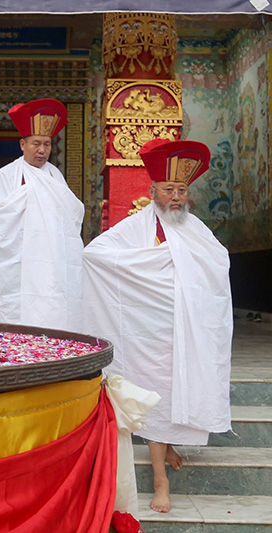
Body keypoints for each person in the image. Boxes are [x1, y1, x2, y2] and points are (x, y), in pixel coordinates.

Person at [82, 139, 232, 513]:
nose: (177, 197)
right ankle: (161, 480)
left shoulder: (195, 229)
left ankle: (170, 445)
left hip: (189, 329)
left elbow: (217, 265)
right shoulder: (135, 227)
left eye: (182, 190)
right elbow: (95, 254)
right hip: (149, 332)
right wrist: (149, 271)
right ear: (152, 191)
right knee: (157, 395)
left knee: (183, 386)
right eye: (169, 190)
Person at [0, 98, 84, 330]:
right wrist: (14, 216)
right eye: (36, 143)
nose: (42, 150)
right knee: (17, 312)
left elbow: (72, 215)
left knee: (52, 307)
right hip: (17, 260)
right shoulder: (7, 175)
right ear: (22, 144)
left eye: (47, 144)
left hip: (52, 258)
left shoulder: (54, 177)